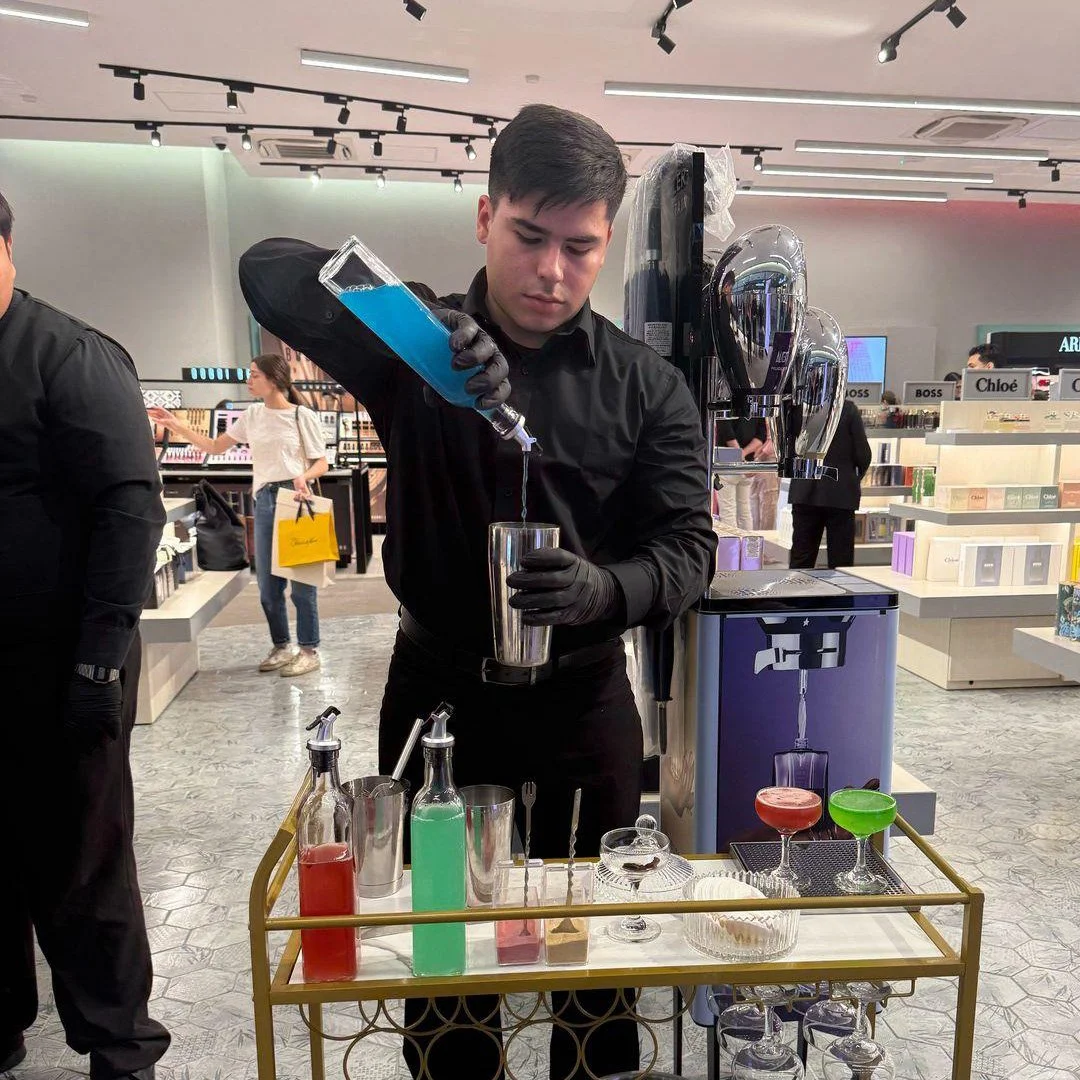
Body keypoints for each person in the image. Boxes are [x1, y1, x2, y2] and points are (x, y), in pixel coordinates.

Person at [239, 103, 716, 1080]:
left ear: (607, 243)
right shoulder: (415, 354)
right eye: (529, 237)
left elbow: (687, 548)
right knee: (445, 967)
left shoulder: (647, 386)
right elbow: (268, 272)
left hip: (585, 706)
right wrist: (426, 320)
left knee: (592, 967)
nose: (552, 271)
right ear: (485, 217)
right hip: (439, 705)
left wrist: (604, 590)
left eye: (580, 248)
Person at [0, 190, 169, 1079]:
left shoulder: (69, 355)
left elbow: (130, 509)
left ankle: (119, 1043)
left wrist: (99, 665)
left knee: (82, 857)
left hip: (66, 664)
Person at [149, 354, 329, 677]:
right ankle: (281, 645)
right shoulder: (252, 415)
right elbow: (215, 446)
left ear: (273, 379)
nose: (249, 380)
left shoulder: (301, 416)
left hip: (297, 500)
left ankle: (308, 649)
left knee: (303, 584)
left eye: (255, 375)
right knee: (268, 586)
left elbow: (322, 463)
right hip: (265, 500)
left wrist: (303, 476)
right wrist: (176, 425)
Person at [788, 398, 872, 569]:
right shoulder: (847, 409)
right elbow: (863, 454)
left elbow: (788, 449)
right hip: (840, 492)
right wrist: (853, 476)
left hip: (804, 489)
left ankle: (797, 587)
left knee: (801, 557)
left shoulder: (797, 408)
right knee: (841, 561)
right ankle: (838, 588)